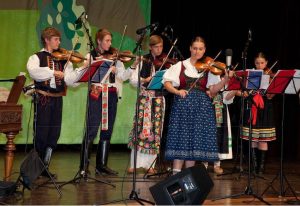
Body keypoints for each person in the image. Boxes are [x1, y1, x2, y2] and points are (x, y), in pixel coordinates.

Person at [162, 36, 233, 174]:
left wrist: (225, 79)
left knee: (194, 143)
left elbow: (212, 91)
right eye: (194, 48)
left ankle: (189, 176)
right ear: (190, 48)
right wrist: (177, 91)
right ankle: (176, 174)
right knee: (181, 140)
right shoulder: (180, 65)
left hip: (202, 108)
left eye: (200, 49)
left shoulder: (209, 68)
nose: (197, 51)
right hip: (182, 108)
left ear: (204, 50)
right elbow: (167, 83)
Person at [26, 27, 80, 178]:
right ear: (47, 40)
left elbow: (69, 79)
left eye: (59, 39)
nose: (59, 42)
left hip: (57, 100)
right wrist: (53, 72)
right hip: (43, 98)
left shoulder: (64, 59)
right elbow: (33, 71)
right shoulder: (36, 57)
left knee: (53, 134)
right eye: (56, 39)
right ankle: (35, 169)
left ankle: (45, 168)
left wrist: (81, 71)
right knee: (41, 134)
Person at [79, 28, 133, 176]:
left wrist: (132, 68)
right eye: (107, 40)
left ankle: (101, 165)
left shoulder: (115, 57)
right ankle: (83, 167)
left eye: (110, 40)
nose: (110, 44)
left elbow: (123, 76)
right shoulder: (91, 56)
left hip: (111, 94)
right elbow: (83, 74)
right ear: (99, 41)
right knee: (91, 129)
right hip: (97, 94)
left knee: (107, 130)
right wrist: (91, 66)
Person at [127, 35, 168, 174]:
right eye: (156, 47)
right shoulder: (144, 60)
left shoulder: (165, 62)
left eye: (161, 47)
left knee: (155, 131)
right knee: (140, 130)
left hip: (158, 100)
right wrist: (146, 79)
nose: (159, 49)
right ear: (150, 47)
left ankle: (150, 164)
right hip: (145, 98)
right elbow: (132, 80)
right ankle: (134, 163)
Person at [240, 52, 276, 175]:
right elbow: (244, 93)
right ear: (254, 63)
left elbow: (271, 96)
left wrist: (272, 84)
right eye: (257, 63)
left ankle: (261, 169)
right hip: (252, 107)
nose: (259, 65)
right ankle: (254, 168)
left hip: (265, 108)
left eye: (262, 63)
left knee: (263, 139)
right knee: (253, 138)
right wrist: (246, 92)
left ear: (266, 63)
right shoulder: (250, 75)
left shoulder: (270, 76)